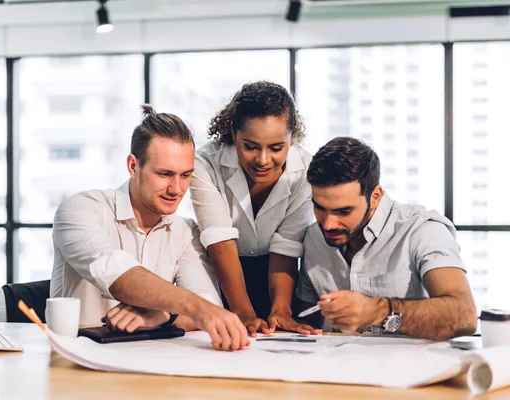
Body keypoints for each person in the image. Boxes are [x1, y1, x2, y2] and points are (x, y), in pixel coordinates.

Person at [50, 105, 249, 351]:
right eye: (165, 174)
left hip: (152, 368)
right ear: (133, 166)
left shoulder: (186, 232)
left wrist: (164, 314)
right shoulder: (80, 210)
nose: (176, 189)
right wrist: (194, 308)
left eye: (185, 175)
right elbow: (120, 276)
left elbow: (207, 302)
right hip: (80, 364)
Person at [295, 137, 477, 340]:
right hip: (335, 367)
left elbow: (464, 316)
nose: (328, 224)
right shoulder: (313, 237)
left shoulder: (421, 230)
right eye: (319, 207)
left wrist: (378, 311)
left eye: (344, 211)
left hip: (415, 368)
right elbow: (308, 322)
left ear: (375, 197)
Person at [190, 81, 320, 337]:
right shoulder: (205, 164)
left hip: (279, 274)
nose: (262, 160)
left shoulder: (306, 171)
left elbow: (286, 248)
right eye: (250, 146)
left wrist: (281, 310)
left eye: (276, 148)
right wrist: (244, 313)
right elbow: (220, 242)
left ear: (292, 137)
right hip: (221, 271)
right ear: (233, 132)